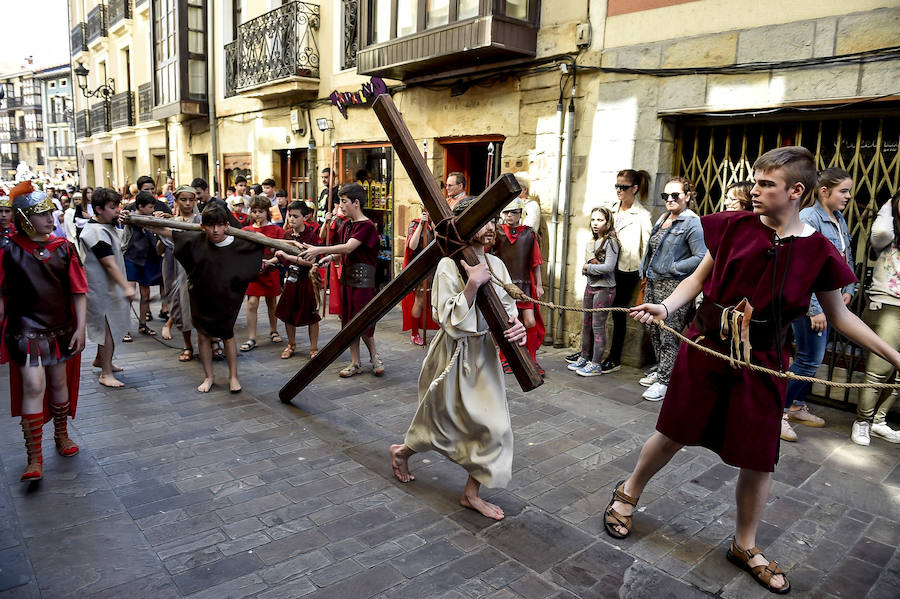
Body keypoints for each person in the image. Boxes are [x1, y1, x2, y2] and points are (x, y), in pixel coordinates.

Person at [611, 147, 900, 594]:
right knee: (673, 432)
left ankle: (744, 544)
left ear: (795, 191)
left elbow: (842, 317)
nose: (754, 191)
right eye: (755, 181)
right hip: (708, 346)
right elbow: (698, 279)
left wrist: (897, 358)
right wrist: (666, 306)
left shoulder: (818, 251)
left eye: (766, 184)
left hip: (764, 361)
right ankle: (628, 491)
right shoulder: (734, 227)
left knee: (759, 458)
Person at [388, 196, 527, 520]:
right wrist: (471, 287)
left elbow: (507, 313)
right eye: (483, 221)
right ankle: (401, 451)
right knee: (438, 421)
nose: (491, 226)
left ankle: (470, 493)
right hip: (454, 352)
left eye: (493, 219)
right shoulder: (448, 265)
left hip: (483, 356)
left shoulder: (497, 265)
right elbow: (445, 317)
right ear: (466, 227)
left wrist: (517, 326)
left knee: (494, 427)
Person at [0, 180, 87, 482]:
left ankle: (61, 436)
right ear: (25, 219)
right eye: (41, 213)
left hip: (59, 328)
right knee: (34, 386)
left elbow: (78, 291)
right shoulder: (9, 251)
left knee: (58, 383)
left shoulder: (63, 248)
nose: (50, 218)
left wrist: (80, 328)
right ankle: (33, 457)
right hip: (25, 330)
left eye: (50, 211)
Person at [780, 168, 857, 442]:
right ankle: (780, 413)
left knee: (813, 358)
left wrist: (848, 289)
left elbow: (843, 257)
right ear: (824, 191)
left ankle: (798, 406)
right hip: (812, 303)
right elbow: (802, 270)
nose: (848, 196)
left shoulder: (837, 218)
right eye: (843, 191)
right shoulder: (809, 218)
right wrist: (816, 309)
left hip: (830, 300)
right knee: (808, 359)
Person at [170, 204, 265, 393]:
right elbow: (169, 233)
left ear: (226, 226)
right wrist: (143, 221)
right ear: (203, 226)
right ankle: (209, 376)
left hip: (226, 300)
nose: (215, 230)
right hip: (200, 297)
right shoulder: (196, 240)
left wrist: (265, 238)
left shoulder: (237, 243)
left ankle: (233, 376)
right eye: (210, 226)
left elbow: (261, 241)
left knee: (227, 335)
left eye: (220, 225)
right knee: (203, 336)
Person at [300, 183, 384, 377]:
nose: (340, 206)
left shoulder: (367, 226)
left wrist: (319, 250)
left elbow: (348, 247)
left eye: (343, 202)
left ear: (356, 203)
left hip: (363, 282)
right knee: (347, 323)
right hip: (346, 279)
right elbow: (341, 251)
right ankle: (355, 362)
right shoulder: (346, 224)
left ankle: (374, 356)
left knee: (364, 322)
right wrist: (329, 258)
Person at [638, 177, 707, 401]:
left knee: (669, 334)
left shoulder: (692, 222)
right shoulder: (664, 217)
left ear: (687, 196)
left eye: (675, 195)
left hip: (674, 285)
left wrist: (673, 267)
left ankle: (665, 381)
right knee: (653, 329)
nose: (669, 199)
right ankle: (663, 369)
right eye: (665, 196)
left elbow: (700, 257)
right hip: (653, 281)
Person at [589, 169, 652, 374]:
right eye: (617, 186)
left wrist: (644, 274)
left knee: (617, 312)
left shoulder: (642, 215)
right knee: (594, 311)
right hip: (604, 266)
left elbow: (648, 247)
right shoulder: (611, 210)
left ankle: (614, 357)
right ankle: (588, 354)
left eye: (623, 187)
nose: (619, 190)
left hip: (626, 270)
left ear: (634, 188)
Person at [851, 190, 900, 445]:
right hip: (889, 305)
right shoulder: (888, 234)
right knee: (879, 371)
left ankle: (879, 421)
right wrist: (889, 204)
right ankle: (863, 421)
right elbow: (880, 232)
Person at [79, 187, 135, 388]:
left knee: (110, 327)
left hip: (109, 288)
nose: (117, 210)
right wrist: (126, 286)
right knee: (107, 330)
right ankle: (105, 373)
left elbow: (120, 244)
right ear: (98, 209)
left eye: (117, 206)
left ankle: (102, 360)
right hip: (101, 290)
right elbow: (109, 263)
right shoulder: (94, 231)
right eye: (112, 207)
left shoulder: (106, 226)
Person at [493, 198, 545, 373]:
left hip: (525, 284)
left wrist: (539, 284)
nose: (509, 216)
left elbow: (535, 262)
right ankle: (505, 358)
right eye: (506, 212)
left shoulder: (529, 234)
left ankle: (531, 357)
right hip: (504, 286)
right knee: (507, 322)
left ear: (520, 214)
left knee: (530, 322)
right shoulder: (497, 232)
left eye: (513, 212)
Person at [568, 207, 619, 377]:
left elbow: (609, 267)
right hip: (590, 286)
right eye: (593, 220)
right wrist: (589, 268)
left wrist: (587, 267)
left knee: (598, 326)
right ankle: (584, 357)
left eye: (600, 220)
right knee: (586, 324)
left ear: (608, 222)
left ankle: (596, 363)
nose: (595, 224)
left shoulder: (611, 242)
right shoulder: (591, 242)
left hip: (605, 289)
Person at [154, 186, 200, 363]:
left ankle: (213, 342)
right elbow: (160, 249)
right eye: (184, 199)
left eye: (191, 200)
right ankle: (188, 345)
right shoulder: (172, 221)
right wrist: (162, 233)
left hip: (199, 269)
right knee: (181, 305)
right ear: (177, 200)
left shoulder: (201, 220)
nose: (188, 203)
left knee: (204, 306)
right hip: (178, 267)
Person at [271, 201, 321, 360]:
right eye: (290, 215)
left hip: (306, 280)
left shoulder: (311, 236)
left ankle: (314, 348)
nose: (291, 219)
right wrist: (271, 261)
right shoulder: (286, 235)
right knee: (287, 313)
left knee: (312, 315)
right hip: (291, 280)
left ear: (305, 217)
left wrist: (290, 256)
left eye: (295, 216)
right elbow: (281, 257)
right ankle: (291, 344)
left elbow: (311, 262)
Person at [240, 196, 285, 352]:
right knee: (252, 303)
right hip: (253, 271)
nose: (257, 214)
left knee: (272, 302)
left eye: (261, 211)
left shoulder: (277, 230)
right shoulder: (246, 231)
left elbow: (281, 252)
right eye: (254, 211)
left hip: (270, 269)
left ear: (267, 212)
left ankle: (274, 330)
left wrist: (270, 261)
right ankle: (251, 337)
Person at [122, 191, 164, 337]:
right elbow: (120, 219)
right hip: (131, 258)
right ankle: (124, 328)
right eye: (150, 207)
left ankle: (142, 324)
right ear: (140, 206)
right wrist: (124, 215)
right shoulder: (128, 216)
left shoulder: (151, 218)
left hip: (146, 259)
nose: (153, 210)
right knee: (129, 295)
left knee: (145, 294)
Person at [401, 205, 438, 346]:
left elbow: (439, 244)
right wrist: (421, 225)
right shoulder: (415, 223)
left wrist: (434, 228)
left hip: (435, 267)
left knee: (435, 301)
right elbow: (412, 246)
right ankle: (414, 332)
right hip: (421, 269)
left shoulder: (437, 225)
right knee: (420, 301)